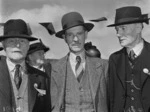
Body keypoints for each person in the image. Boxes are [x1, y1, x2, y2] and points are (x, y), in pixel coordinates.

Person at [51, 12, 108, 112]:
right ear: (64, 38)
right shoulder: (55, 69)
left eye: (79, 34)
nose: (75, 39)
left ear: (85, 34)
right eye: (70, 35)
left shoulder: (103, 66)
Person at [0, 19, 50, 112]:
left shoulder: (42, 77)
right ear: (4, 45)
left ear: (28, 46)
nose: (17, 45)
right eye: (11, 41)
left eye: (22, 41)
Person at [107, 6, 150, 112]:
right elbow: (111, 97)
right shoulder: (114, 59)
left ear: (138, 28)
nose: (118, 34)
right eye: (116, 30)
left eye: (123, 28)